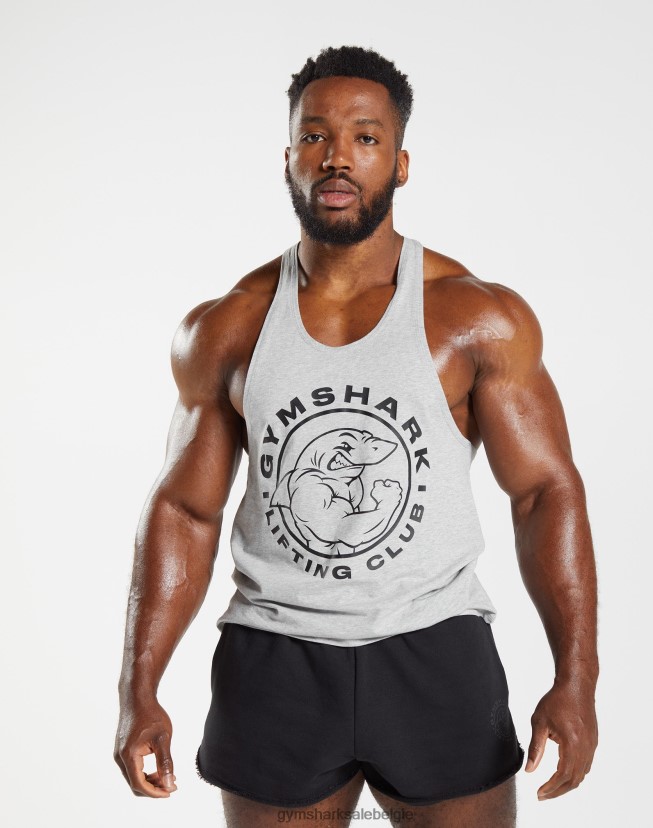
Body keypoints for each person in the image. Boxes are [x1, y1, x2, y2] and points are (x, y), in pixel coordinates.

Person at [114, 45, 599, 828]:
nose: (337, 157)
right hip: (276, 654)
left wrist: (577, 679)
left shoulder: (474, 317)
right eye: (315, 136)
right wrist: (138, 687)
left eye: (365, 138)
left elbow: (545, 491)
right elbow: (185, 511)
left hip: (433, 646)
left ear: (400, 164)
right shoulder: (228, 327)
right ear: (288, 158)